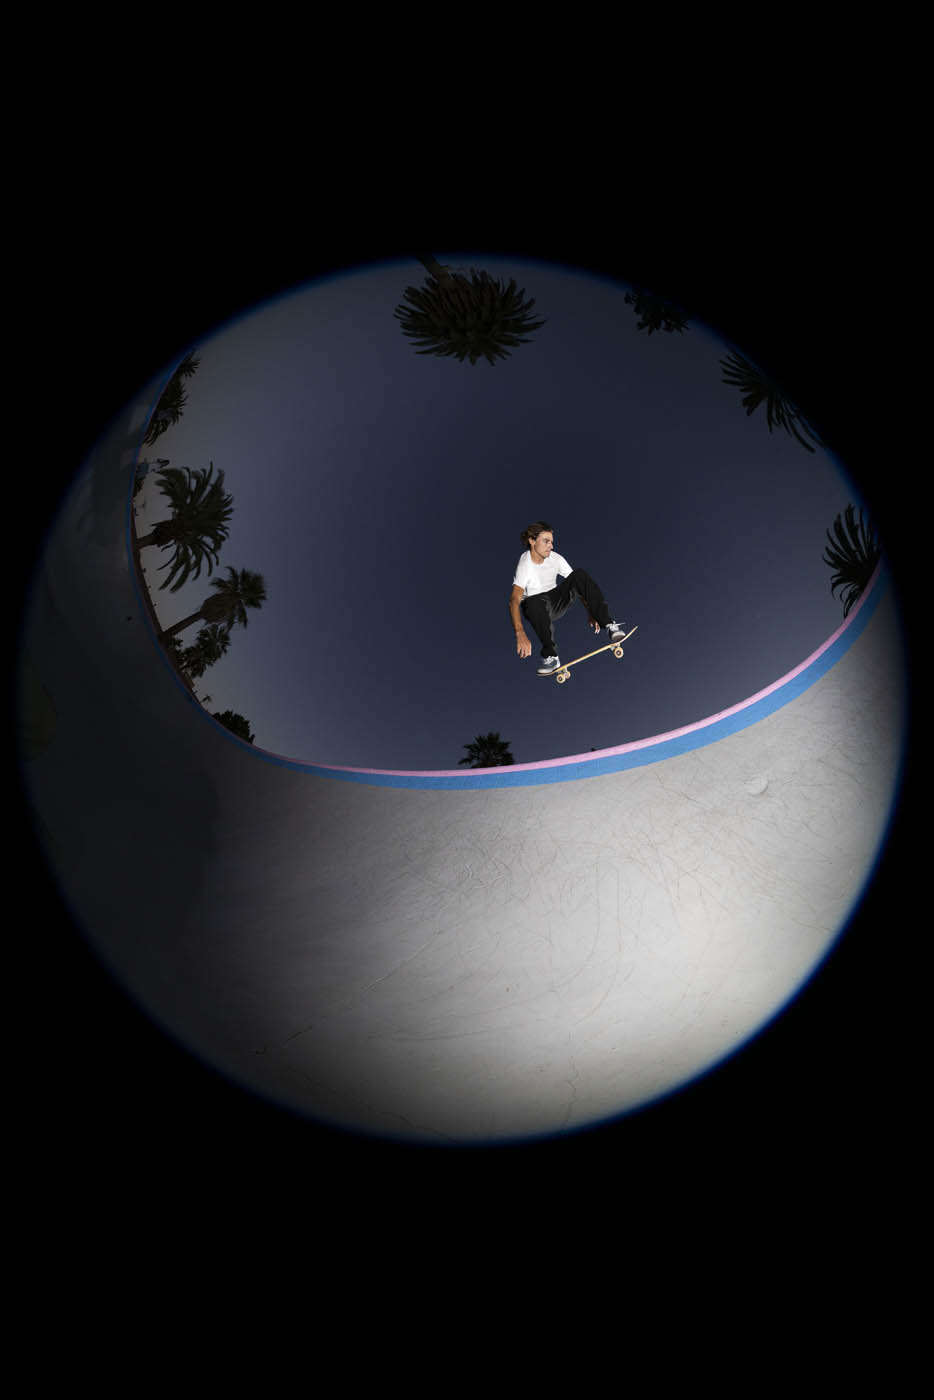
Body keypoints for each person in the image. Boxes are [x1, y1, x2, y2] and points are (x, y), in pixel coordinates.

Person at [509, 521, 626, 676]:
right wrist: (520, 633)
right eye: (546, 541)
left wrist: (591, 611)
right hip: (536, 608)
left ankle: (610, 625)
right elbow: (514, 600)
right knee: (532, 602)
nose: (551, 546)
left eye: (551, 542)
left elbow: (579, 585)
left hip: (556, 601)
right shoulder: (525, 563)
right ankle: (551, 656)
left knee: (579, 575)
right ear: (532, 541)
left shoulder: (556, 559)